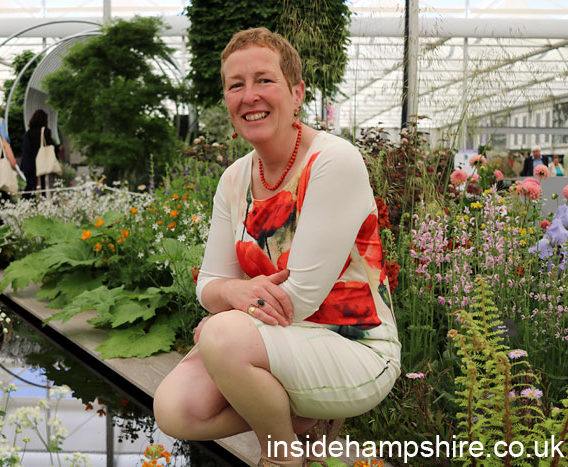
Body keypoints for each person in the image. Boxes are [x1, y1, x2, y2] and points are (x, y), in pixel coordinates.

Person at [153, 28, 400, 467]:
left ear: (297, 92)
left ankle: (281, 457)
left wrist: (223, 320)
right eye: (236, 85)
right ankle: (298, 420)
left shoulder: (332, 161)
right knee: (175, 410)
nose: (249, 96)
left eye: (264, 80)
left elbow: (299, 298)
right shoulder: (234, 179)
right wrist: (231, 294)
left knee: (221, 335)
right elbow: (208, 284)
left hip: (355, 348)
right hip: (273, 339)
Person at [20, 109, 61, 197]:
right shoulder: (45, 131)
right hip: (42, 163)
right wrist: (58, 148)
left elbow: (26, 149)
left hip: (29, 164)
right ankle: (44, 202)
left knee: (30, 187)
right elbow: (50, 146)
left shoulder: (28, 133)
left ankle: (25, 203)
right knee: (44, 187)